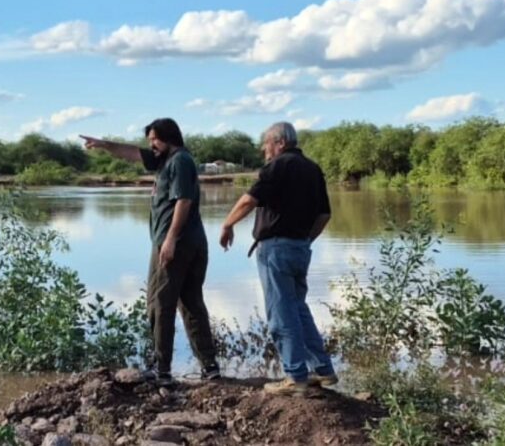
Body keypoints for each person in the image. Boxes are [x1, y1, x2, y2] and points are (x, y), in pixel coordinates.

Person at [80, 118, 220, 386]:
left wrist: (170, 240)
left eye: (155, 139)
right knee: (191, 303)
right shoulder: (166, 160)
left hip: (175, 243)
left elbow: (183, 201)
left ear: (169, 137)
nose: (151, 144)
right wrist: (103, 144)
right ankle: (209, 367)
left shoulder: (179, 161)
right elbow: (132, 153)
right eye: (150, 140)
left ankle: (161, 369)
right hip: (189, 242)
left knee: (160, 303)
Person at [219, 121, 337, 395]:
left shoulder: (278, 166)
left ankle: (295, 376)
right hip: (300, 248)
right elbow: (324, 215)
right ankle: (323, 370)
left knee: (281, 313)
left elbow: (249, 200)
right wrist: (304, 240)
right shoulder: (313, 169)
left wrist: (227, 224)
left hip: (275, 250)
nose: (264, 149)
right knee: (298, 309)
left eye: (267, 143)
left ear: (280, 143)